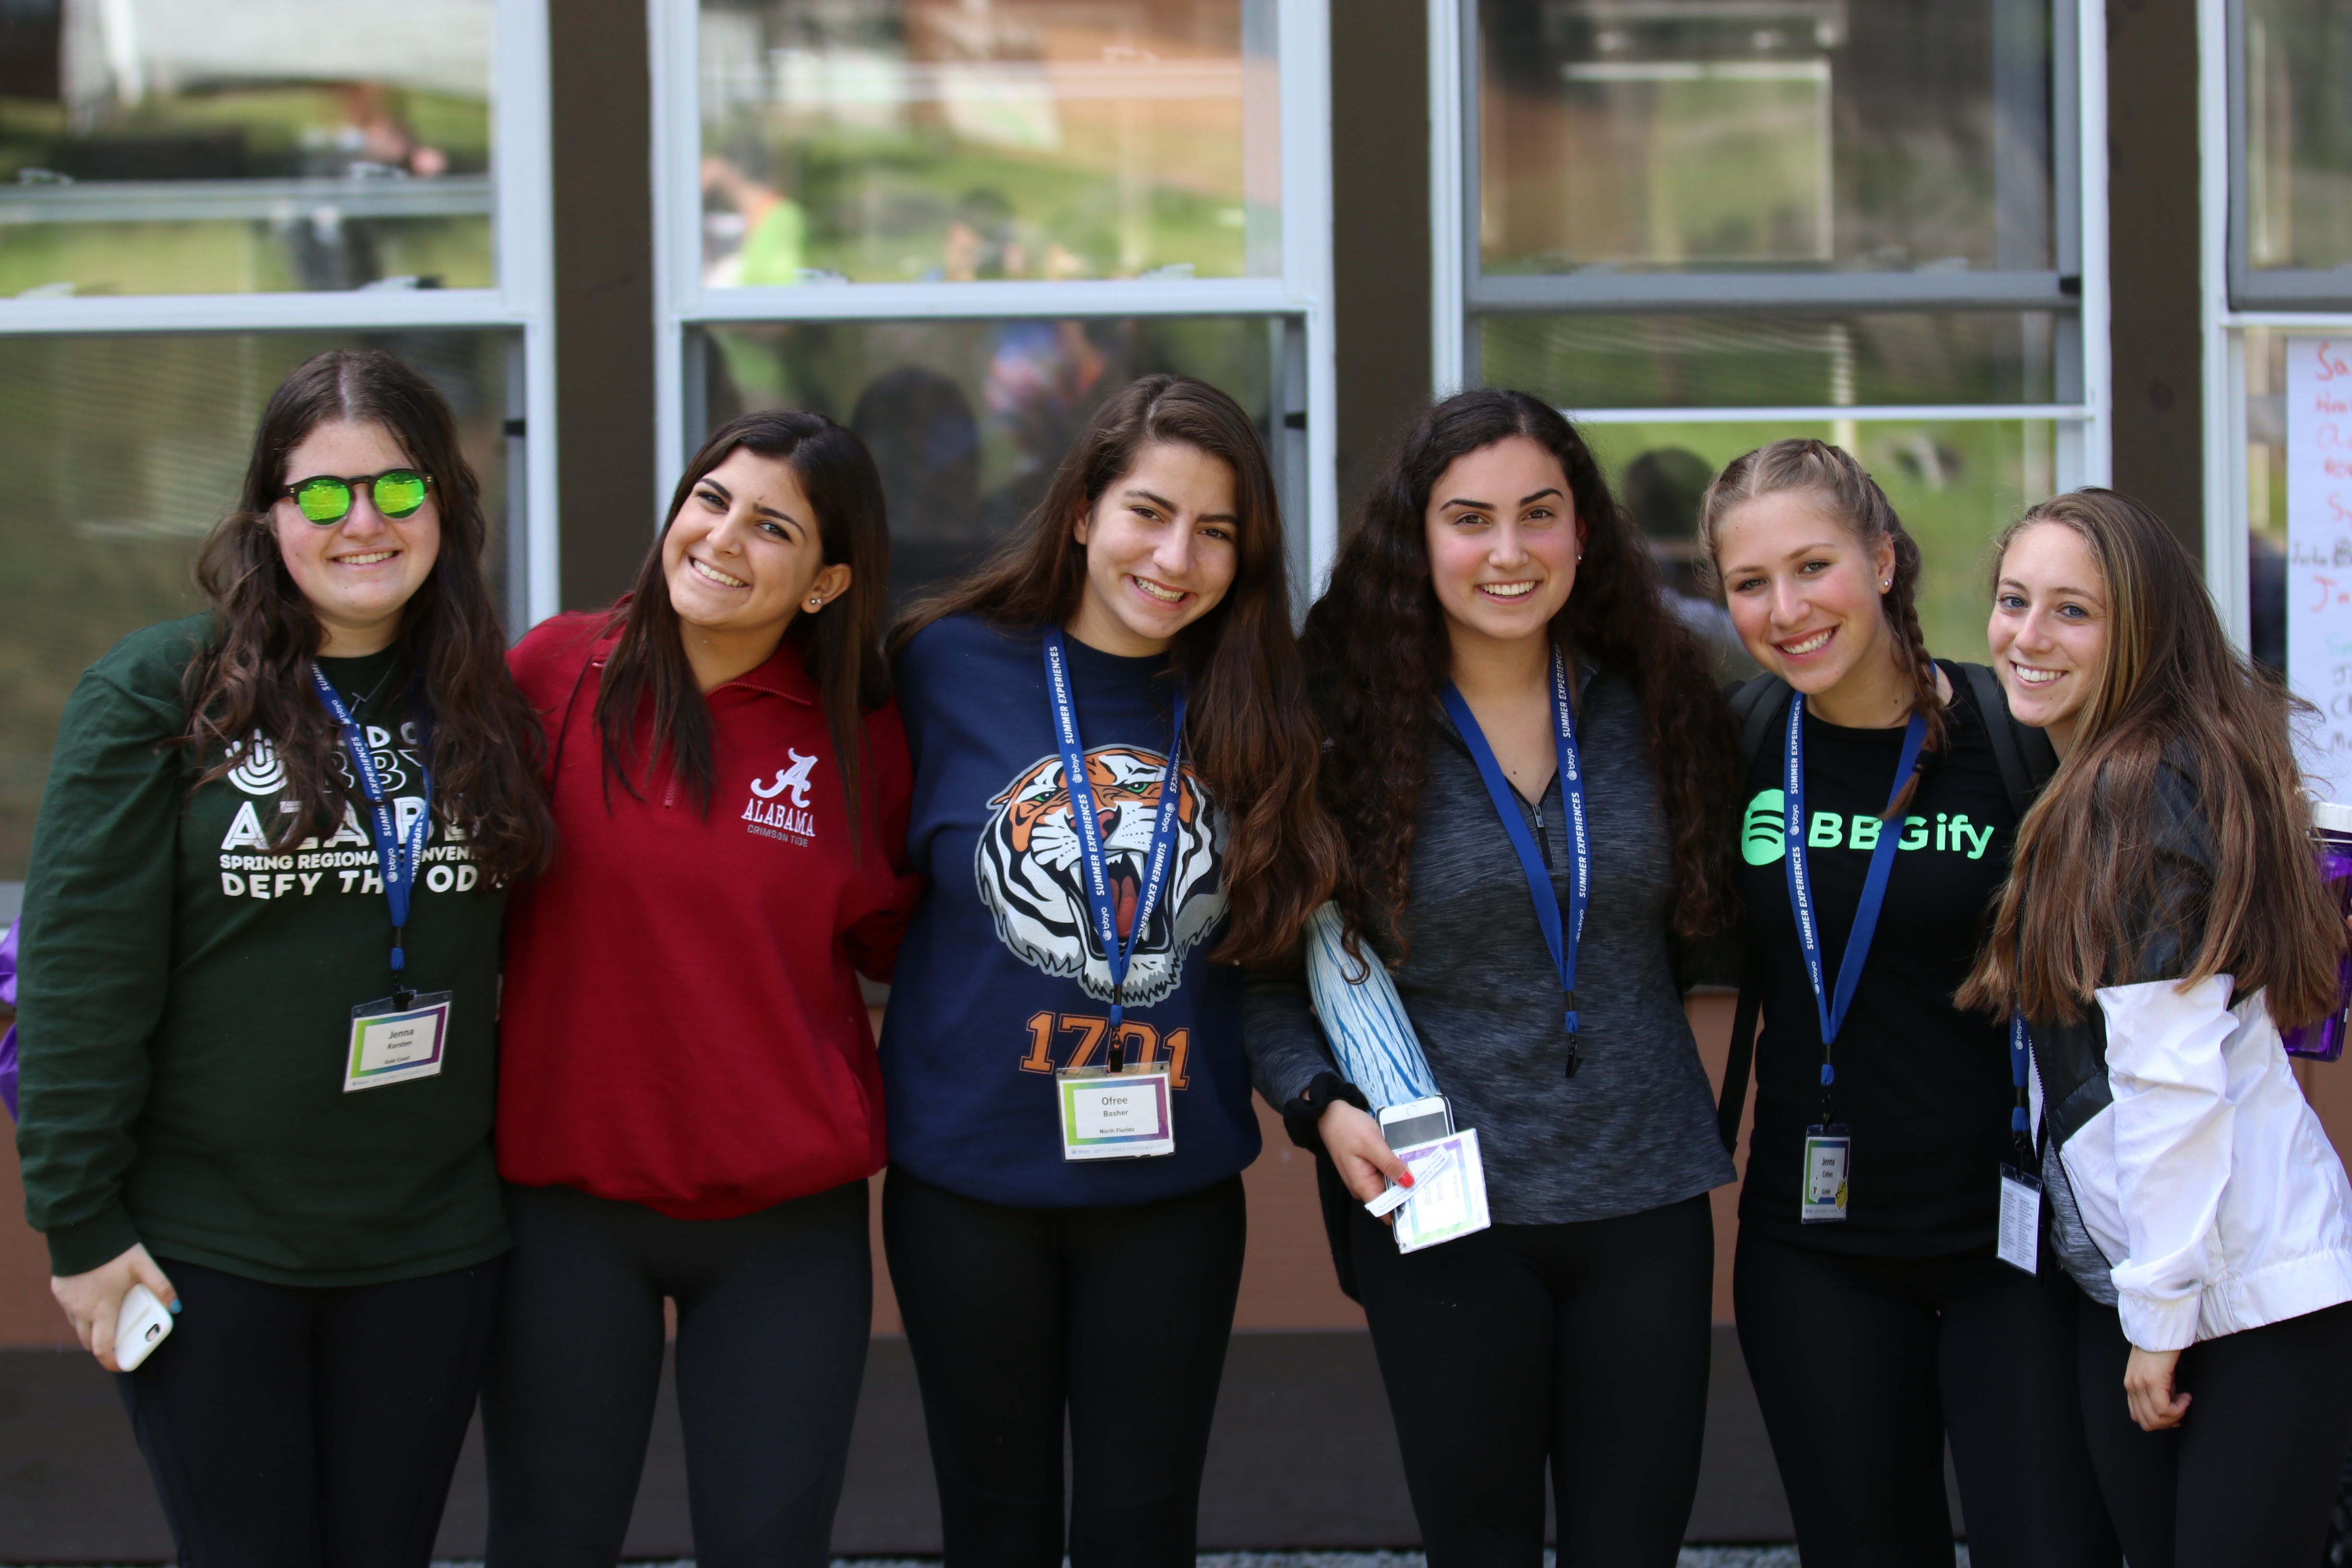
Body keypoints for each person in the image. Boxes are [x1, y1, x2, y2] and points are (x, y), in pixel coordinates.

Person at [14, 347, 553, 1565]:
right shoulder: (166, 691)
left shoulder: (487, 706)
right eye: (322, 492)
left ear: (445, 507)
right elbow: (78, 977)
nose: (363, 522)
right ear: (269, 510)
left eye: (399, 489)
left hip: (428, 1243)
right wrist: (80, 1228)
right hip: (208, 1246)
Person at [1245, 389, 1743, 1564]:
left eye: (1540, 515)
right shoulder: (1338, 726)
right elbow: (1262, 973)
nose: (1508, 553)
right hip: (1439, 1201)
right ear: (1417, 539)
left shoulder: (1659, 702)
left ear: (1586, 532)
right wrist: (1317, 1106)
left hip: (1644, 1194)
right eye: (1470, 519)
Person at [879, 373, 1343, 1565]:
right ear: (1082, 510)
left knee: (1145, 1531)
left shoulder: (1258, 698)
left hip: (1169, 1196)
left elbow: (1275, 947)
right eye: (1149, 511)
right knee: (997, 1531)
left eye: (1217, 531)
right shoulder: (940, 665)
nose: (1175, 556)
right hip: (969, 1184)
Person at [482, 410, 921, 1565]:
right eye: (710, 500)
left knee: (771, 1543)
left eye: (771, 526)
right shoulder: (550, 671)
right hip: (567, 1207)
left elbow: (894, 937)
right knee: (549, 1536)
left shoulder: (861, 732)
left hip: (783, 1222)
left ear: (826, 582)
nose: (722, 538)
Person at [1702, 439, 2116, 1568]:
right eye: (1749, 584)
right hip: (1813, 1247)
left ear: (1882, 560)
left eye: (1813, 566)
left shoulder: (2014, 733)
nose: (1785, 609)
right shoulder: (1733, 742)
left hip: (2012, 1246)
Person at [1960, 488, 2352, 1568]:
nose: (2027, 639)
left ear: (2140, 629)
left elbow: (2169, 1081)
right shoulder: (2116, 768)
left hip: (2236, 1296)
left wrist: (2159, 1319)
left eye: (2071, 612)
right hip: (2152, 1280)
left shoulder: (2136, 792)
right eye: (2011, 601)